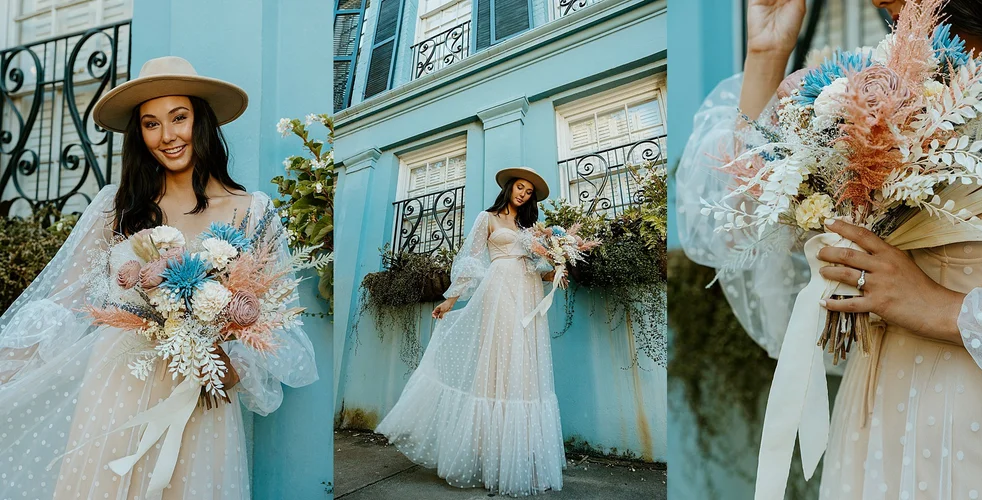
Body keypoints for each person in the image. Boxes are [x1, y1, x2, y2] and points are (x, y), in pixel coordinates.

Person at [677, 0, 982, 499]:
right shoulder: (877, 86)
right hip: (875, 406)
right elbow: (727, 213)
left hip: (978, 415)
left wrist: (942, 308)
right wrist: (767, 53)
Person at [0, 56, 317, 499]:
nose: (167, 136)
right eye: (151, 124)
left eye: (179, 118)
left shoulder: (253, 211)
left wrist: (230, 366)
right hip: (114, 385)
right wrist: (10, 368)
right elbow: (62, 304)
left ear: (200, 121)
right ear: (139, 135)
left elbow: (278, 319)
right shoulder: (116, 206)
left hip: (199, 392)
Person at [375, 166, 567, 497]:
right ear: (509, 188)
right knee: (498, 359)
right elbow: (471, 260)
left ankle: (521, 456)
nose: (524, 194)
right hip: (499, 289)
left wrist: (556, 270)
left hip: (528, 291)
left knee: (524, 365)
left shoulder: (530, 227)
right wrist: (451, 299)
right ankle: (488, 454)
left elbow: (536, 265)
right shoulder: (487, 218)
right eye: (520, 187)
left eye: (529, 192)